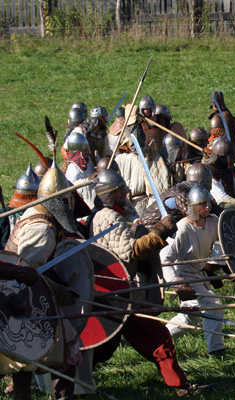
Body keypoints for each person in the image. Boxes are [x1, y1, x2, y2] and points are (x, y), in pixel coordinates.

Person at [84, 169, 215, 396]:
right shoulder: (108, 218)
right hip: (114, 295)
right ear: (109, 194)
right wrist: (161, 230)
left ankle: (181, 387)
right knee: (101, 348)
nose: (125, 193)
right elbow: (130, 252)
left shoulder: (107, 214)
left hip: (121, 293)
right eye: (120, 190)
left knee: (157, 338)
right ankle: (77, 386)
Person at [4, 160, 84, 400]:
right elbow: (28, 273)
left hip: (17, 300)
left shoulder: (36, 212)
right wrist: (60, 292)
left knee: (24, 361)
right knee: (66, 350)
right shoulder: (41, 229)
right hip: (22, 301)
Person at [160, 184, 226, 353]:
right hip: (185, 276)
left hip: (200, 274)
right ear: (193, 207)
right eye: (202, 204)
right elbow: (165, 257)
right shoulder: (182, 229)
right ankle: (216, 349)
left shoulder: (213, 222)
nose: (207, 207)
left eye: (207, 203)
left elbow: (229, 232)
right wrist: (177, 284)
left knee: (190, 319)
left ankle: (158, 339)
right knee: (214, 306)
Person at [63, 129, 96, 209]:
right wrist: (87, 181)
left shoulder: (88, 161)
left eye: (87, 148)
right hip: (81, 204)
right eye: (84, 150)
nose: (87, 151)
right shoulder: (73, 169)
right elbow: (71, 189)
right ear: (77, 151)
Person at [208, 91, 235, 156]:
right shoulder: (217, 114)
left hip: (229, 150)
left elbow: (226, 135)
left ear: (221, 102)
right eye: (212, 103)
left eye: (216, 103)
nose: (214, 106)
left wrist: (213, 142)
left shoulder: (226, 115)